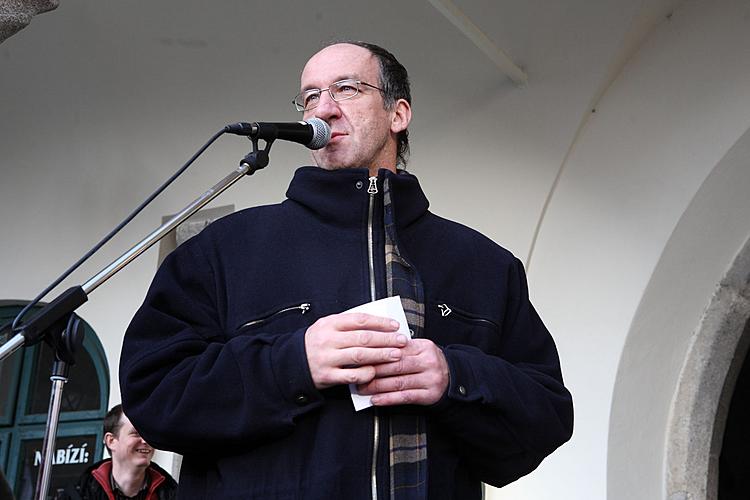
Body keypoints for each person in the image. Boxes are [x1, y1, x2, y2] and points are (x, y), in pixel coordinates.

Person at [119, 41, 573, 499]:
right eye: (310, 97)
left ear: (398, 114)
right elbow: (153, 393)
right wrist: (293, 363)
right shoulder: (223, 248)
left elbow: (548, 416)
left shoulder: (484, 264)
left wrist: (454, 377)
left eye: (346, 89)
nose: (324, 110)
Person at [60, 405, 177, 500]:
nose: (145, 440)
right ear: (111, 441)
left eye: (147, 433)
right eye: (136, 433)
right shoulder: (78, 493)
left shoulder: (173, 493)